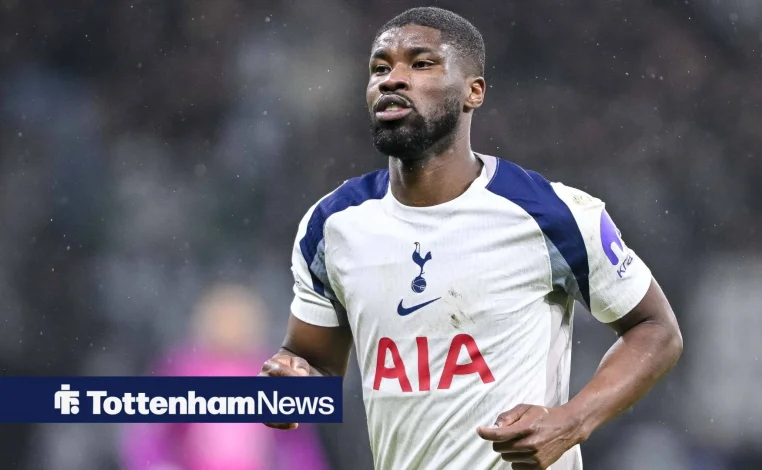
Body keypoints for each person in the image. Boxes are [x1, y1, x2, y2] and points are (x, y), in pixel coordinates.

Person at [260, 6, 683, 470]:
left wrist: (572, 421)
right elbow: (313, 366)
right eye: (380, 68)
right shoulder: (332, 224)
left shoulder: (552, 213)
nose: (392, 79)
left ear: (473, 91)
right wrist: (288, 390)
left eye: (421, 63)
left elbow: (656, 330)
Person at [120, 284, 329, 470]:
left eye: (239, 322)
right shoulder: (185, 371)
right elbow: (150, 435)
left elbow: (298, 445)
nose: (231, 330)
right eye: (224, 321)